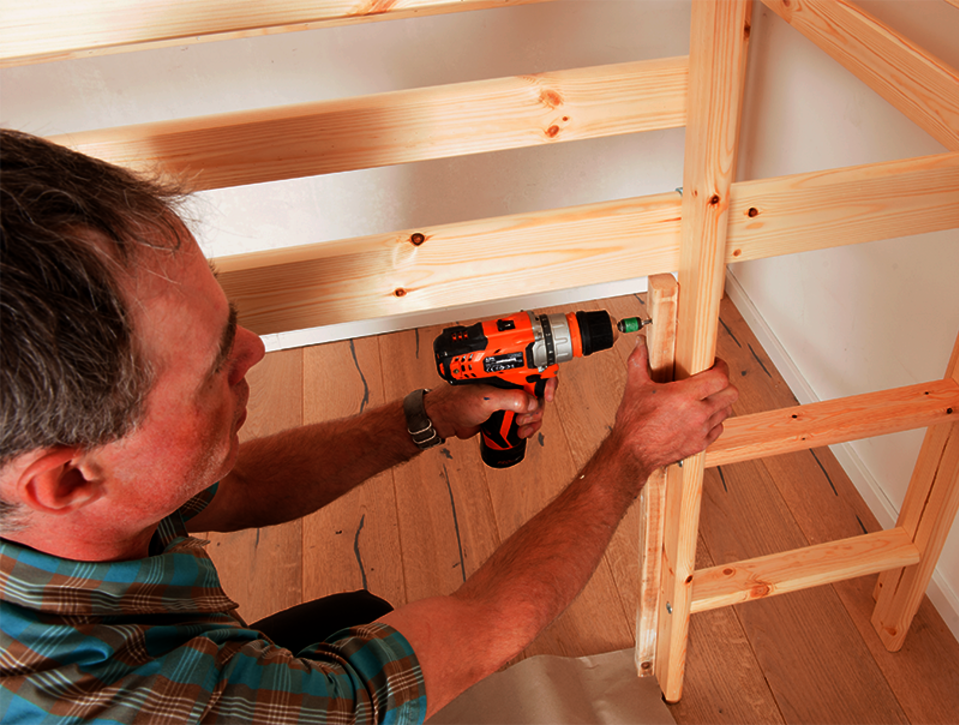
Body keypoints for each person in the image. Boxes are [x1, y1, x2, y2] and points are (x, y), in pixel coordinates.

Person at [0, 128, 738, 724]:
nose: (255, 349)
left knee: (360, 615)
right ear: (67, 478)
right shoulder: (114, 703)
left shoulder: (54, 491)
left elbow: (241, 482)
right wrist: (631, 452)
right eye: (213, 366)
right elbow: (467, 635)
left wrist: (430, 417)